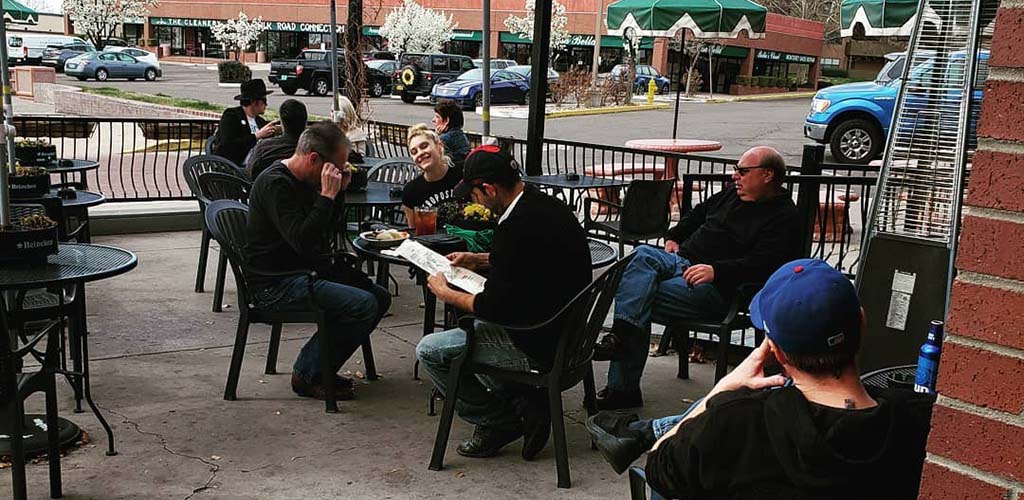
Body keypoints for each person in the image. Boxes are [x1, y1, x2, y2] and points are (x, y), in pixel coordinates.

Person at [585, 259, 936, 500]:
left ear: (775, 351)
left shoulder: (734, 421)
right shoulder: (923, 426)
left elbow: (660, 470)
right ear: (861, 322)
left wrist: (719, 392)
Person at [415, 145, 591, 460]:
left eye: (474, 194)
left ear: (490, 189)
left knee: (432, 350)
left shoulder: (513, 227)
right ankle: (526, 400)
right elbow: (531, 262)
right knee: (473, 327)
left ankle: (499, 421)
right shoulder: (546, 206)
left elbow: (496, 307)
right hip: (570, 334)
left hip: (539, 344)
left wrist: (447, 293)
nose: (474, 201)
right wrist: (478, 259)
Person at [594, 146, 802, 410]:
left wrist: (717, 271)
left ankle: (622, 376)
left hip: (718, 288)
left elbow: (765, 265)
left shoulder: (784, 217)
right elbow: (698, 214)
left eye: (742, 171)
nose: (734, 176)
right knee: (643, 254)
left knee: (634, 294)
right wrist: (674, 237)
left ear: (767, 175)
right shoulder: (732, 195)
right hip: (681, 262)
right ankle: (623, 344)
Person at [245, 121, 392, 401]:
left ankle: (322, 365)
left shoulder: (305, 181)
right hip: (276, 284)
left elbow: (324, 236)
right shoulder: (276, 184)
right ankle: (308, 373)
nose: (338, 171)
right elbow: (302, 240)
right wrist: (326, 196)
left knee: (379, 296)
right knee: (363, 304)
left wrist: (336, 196)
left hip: (304, 271)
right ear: (314, 159)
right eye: (336, 166)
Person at [401, 124, 462, 223]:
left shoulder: (462, 173)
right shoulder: (411, 192)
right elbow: (413, 232)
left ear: (439, 146)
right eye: (414, 152)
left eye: (424, 146)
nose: (420, 153)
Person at [213, 78, 279, 167]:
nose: (266, 105)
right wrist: (257, 136)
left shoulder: (260, 121)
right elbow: (228, 145)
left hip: (258, 164)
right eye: (264, 100)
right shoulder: (232, 116)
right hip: (234, 165)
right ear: (253, 101)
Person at [244, 98, 308, 180]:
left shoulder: (263, 148)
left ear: (282, 123)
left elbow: (249, 174)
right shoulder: (311, 152)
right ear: (305, 122)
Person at [432, 99, 471, 164]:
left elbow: (440, 163)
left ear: (446, 121)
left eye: (437, 117)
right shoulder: (461, 135)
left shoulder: (442, 139)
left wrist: (437, 137)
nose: (433, 120)